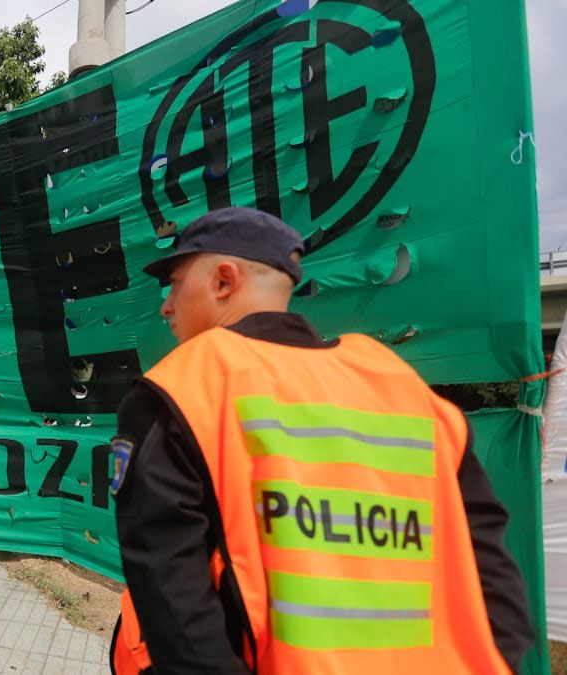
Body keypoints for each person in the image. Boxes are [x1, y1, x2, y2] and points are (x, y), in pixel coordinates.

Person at [109, 207, 533, 674]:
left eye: (175, 282)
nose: (166, 305)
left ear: (223, 281)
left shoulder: (182, 389)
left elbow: (174, 599)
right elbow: (492, 573)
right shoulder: (405, 389)